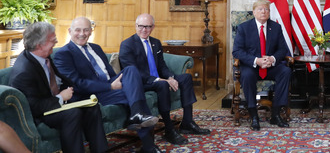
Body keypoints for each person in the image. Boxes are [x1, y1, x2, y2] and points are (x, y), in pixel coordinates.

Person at [53, 17, 161, 153]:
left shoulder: (96, 48)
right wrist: (110, 87)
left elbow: (110, 74)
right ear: (70, 31)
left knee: (131, 70)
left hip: (111, 86)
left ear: (91, 31)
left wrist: (118, 84)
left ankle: (137, 114)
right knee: (136, 95)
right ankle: (148, 145)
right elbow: (78, 84)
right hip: (93, 93)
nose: (82, 33)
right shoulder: (63, 54)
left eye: (86, 30)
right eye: (78, 30)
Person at [9, 22, 108, 153]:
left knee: (91, 106)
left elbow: (59, 78)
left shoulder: (43, 54)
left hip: (54, 100)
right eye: (52, 39)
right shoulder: (24, 72)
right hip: (42, 111)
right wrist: (60, 97)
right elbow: (34, 107)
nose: (56, 41)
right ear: (40, 45)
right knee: (72, 113)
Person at [119, 14, 210, 145]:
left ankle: (187, 122)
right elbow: (133, 72)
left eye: (148, 26)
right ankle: (169, 129)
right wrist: (160, 80)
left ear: (153, 27)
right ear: (136, 26)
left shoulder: (155, 42)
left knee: (186, 78)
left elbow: (162, 66)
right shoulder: (127, 45)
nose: (144, 30)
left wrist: (171, 78)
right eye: (141, 26)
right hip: (141, 83)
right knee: (162, 85)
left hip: (159, 78)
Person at [232, 0, 292, 131]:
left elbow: (283, 49)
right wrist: (256, 60)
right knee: (246, 75)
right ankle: (253, 115)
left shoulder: (276, 27)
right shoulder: (244, 28)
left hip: (270, 66)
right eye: (260, 9)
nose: (263, 12)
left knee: (285, 71)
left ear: (269, 12)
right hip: (251, 66)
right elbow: (237, 51)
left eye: (266, 9)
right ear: (254, 12)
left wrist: (272, 58)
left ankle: (275, 114)